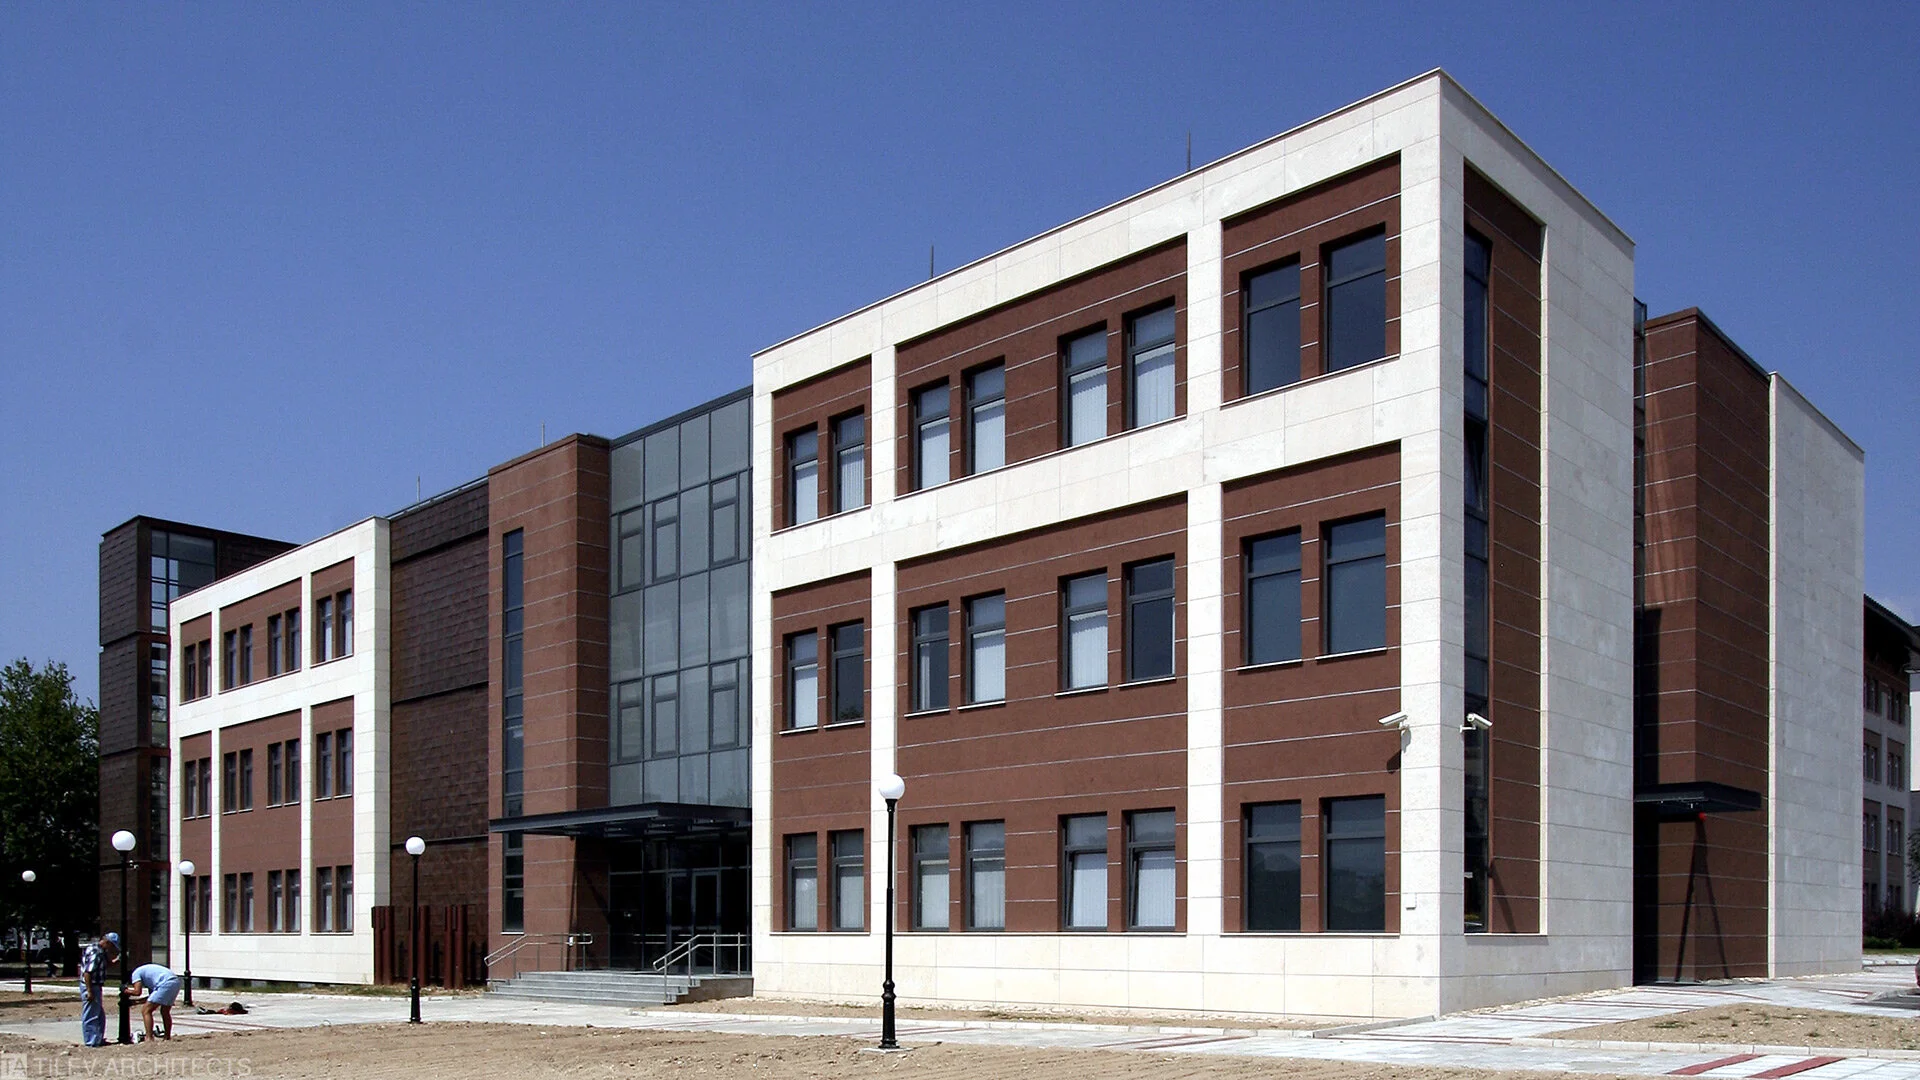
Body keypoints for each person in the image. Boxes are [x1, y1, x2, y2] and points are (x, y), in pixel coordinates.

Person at [124, 962, 183, 1042]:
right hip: (175, 982)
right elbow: (152, 997)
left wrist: (125, 991)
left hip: (164, 983)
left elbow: (137, 992)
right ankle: (167, 1037)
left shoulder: (135, 973)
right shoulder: (148, 976)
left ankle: (149, 1037)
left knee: (146, 1011)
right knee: (165, 1011)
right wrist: (135, 1002)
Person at [77, 933, 117, 1048]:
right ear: (107, 942)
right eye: (112, 946)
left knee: (98, 1014)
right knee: (91, 1014)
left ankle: (97, 1038)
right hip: (91, 985)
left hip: (96, 985)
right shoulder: (96, 952)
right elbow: (88, 972)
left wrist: (115, 961)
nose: (111, 949)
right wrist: (89, 991)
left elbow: (103, 965)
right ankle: (91, 1041)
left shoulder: (100, 951)